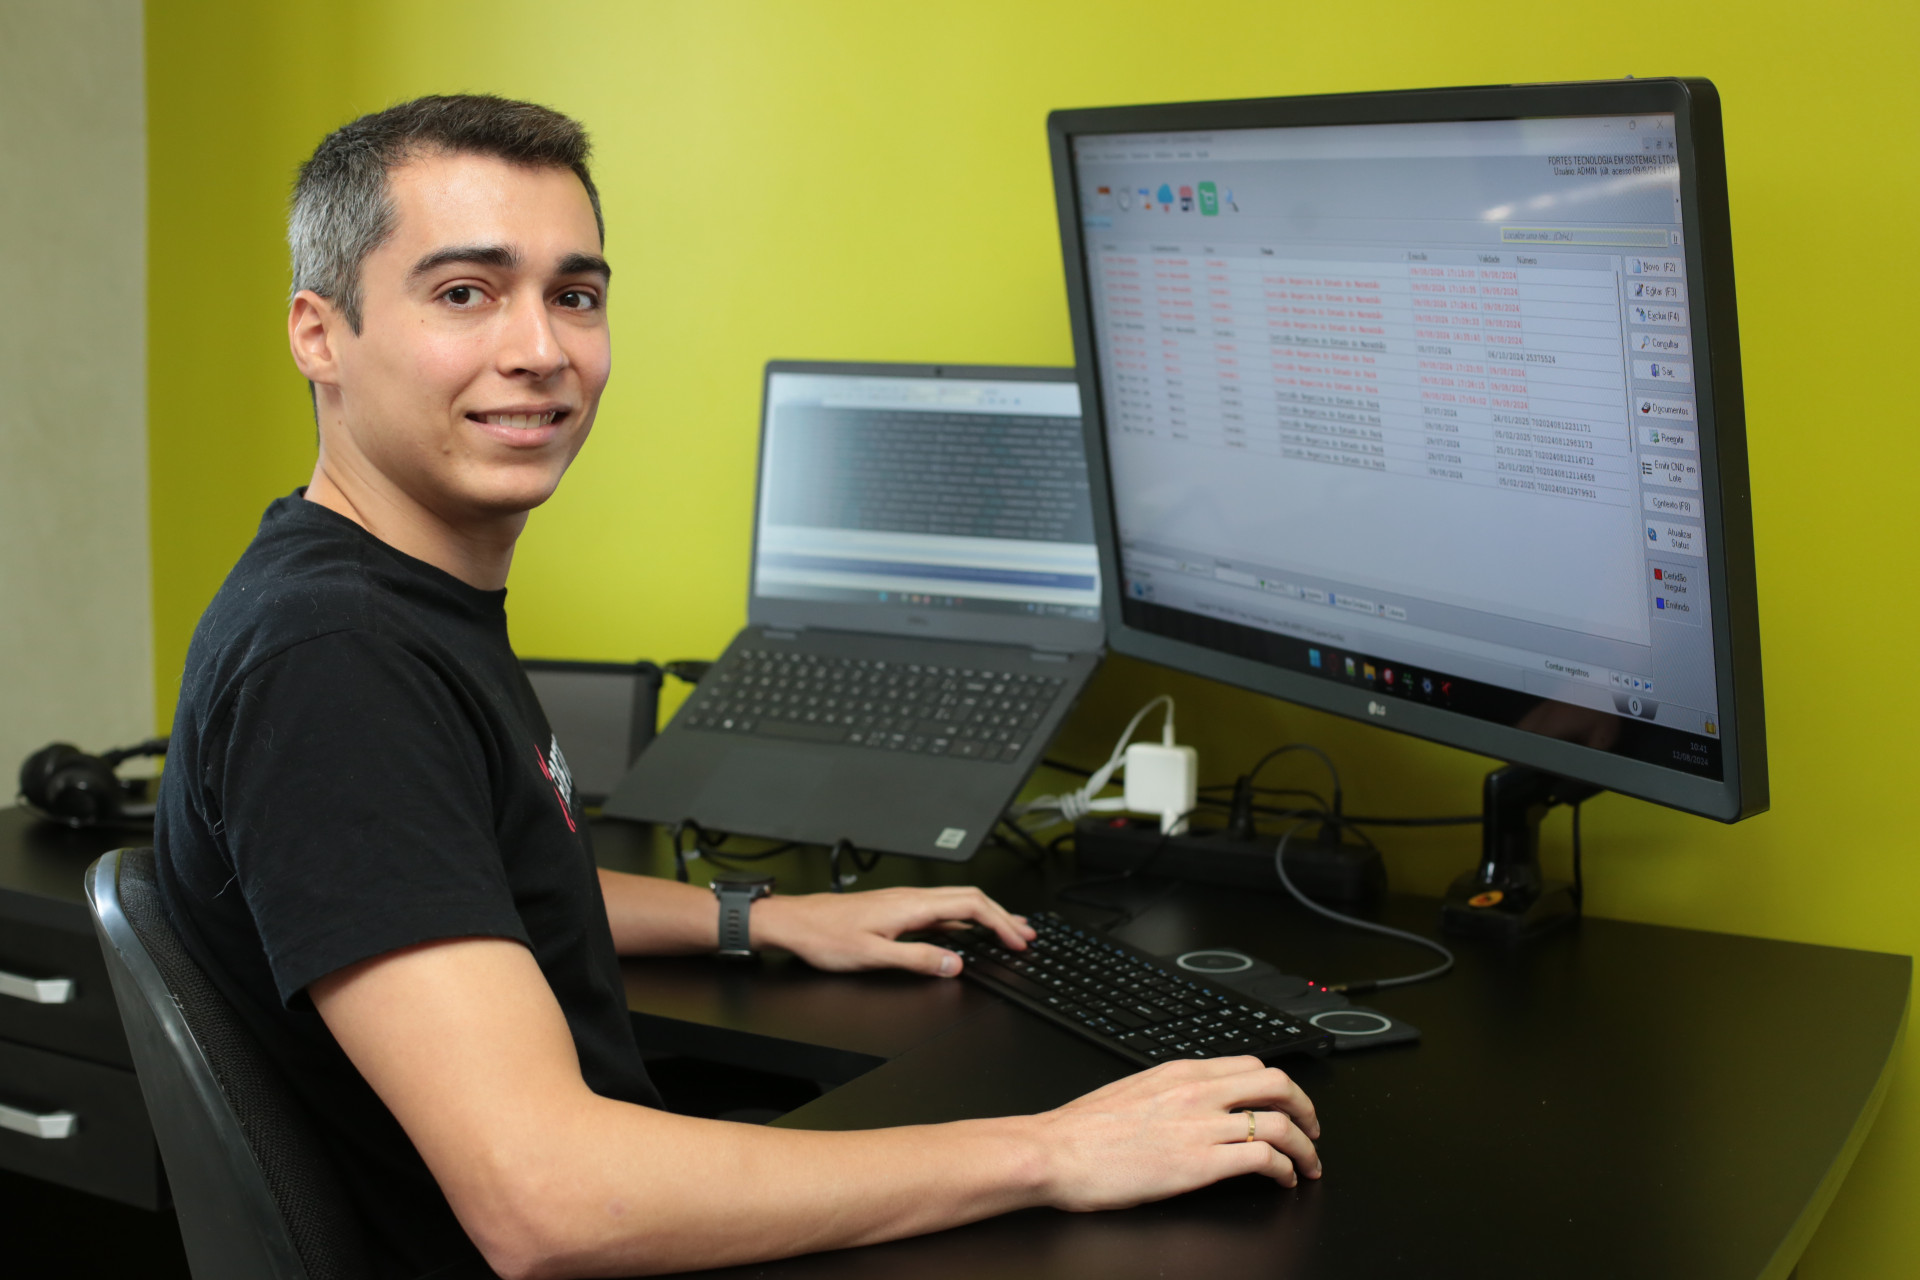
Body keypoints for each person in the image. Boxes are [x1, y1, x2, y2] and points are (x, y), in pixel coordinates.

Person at [155, 94, 1321, 1280]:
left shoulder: (383, 596)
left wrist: (761, 920)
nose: (541, 348)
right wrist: (1051, 1149)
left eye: (575, 294)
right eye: (466, 292)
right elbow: (549, 1201)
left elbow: (454, 881)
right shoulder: (334, 663)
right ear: (319, 333)